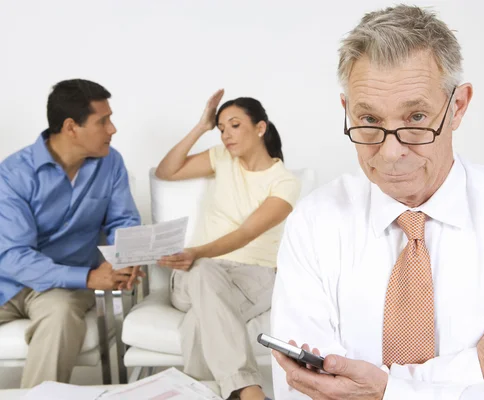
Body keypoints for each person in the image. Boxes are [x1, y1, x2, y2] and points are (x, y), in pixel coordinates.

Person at [271, 5, 484, 399]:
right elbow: (304, 393)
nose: (391, 153)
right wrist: (481, 368)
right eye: (370, 121)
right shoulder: (313, 224)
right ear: (347, 109)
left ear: (458, 106)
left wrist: (382, 392)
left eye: (415, 118)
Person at [156, 89, 301, 400]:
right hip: (196, 273)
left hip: (254, 277)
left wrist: (196, 252)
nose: (225, 135)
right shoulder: (221, 159)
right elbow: (165, 171)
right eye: (221, 128)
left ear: (260, 127)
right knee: (204, 273)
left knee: (202, 318)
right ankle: (247, 389)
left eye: (234, 125)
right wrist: (200, 127)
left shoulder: (285, 182)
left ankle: (200, 391)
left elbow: (246, 233)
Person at [0, 79, 144, 388]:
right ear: (71, 127)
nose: (112, 129)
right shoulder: (13, 174)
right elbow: (13, 256)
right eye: (102, 121)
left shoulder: (111, 163)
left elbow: (123, 221)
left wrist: (125, 259)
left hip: (62, 290)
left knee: (61, 312)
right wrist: (89, 278)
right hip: (9, 282)